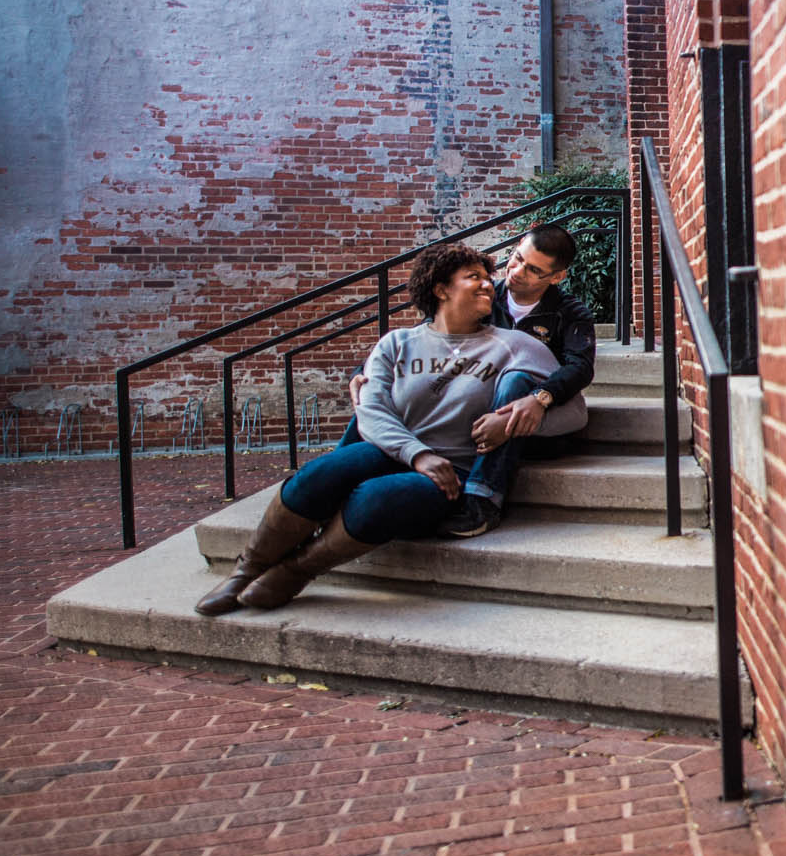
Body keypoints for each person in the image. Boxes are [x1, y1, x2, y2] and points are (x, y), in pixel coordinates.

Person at [196, 244, 552, 617]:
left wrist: (529, 408)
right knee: (319, 473)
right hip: (391, 451)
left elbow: (572, 409)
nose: (487, 285)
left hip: (452, 473)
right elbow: (371, 408)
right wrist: (417, 454)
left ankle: (295, 571)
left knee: (374, 499)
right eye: (473, 277)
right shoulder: (397, 342)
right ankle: (245, 570)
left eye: (486, 277)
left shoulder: (516, 346)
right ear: (441, 289)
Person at [444, 222, 597, 538]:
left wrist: (539, 397)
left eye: (532, 269)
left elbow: (580, 368)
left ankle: (482, 501)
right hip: (479, 412)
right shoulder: (483, 297)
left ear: (556, 277)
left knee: (516, 379)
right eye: (516, 258)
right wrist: (365, 371)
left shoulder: (570, 312)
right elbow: (427, 336)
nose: (515, 271)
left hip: (542, 423)